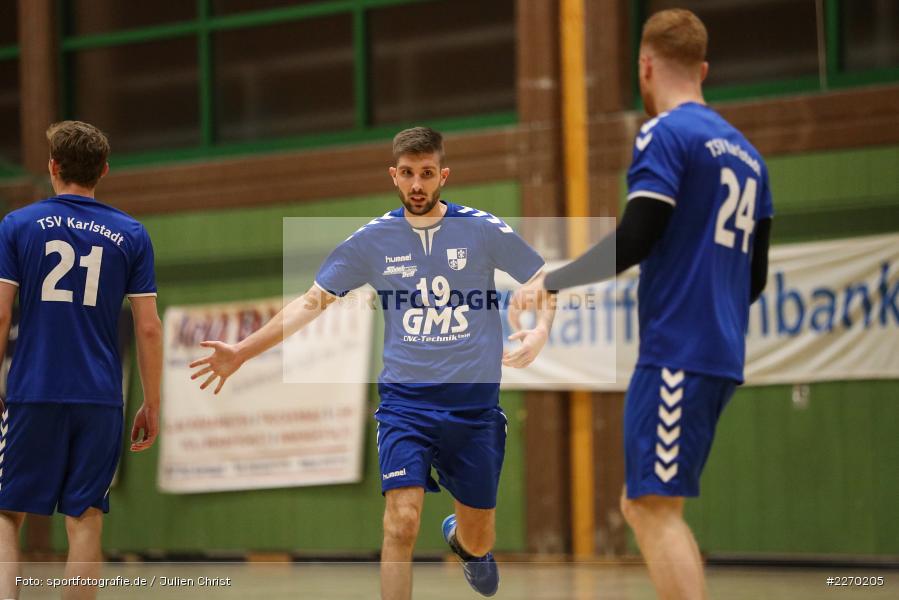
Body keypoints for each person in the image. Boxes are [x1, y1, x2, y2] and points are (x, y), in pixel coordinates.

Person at [189, 126, 554, 600]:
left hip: (473, 408)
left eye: (426, 174)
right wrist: (241, 351)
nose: (417, 184)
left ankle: (468, 547)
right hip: (406, 407)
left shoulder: (481, 229)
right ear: (393, 176)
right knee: (400, 524)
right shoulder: (373, 240)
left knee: (478, 535)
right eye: (407, 174)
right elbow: (309, 302)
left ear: (443, 174)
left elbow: (543, 275)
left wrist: (541, 330)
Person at [510, 9, 773, 600]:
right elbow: (752, 280)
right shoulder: (752, 159)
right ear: (702, 69)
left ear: (644, 67)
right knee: (649, 505)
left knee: (652, 509)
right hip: (720, 351)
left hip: (678, 350)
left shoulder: (664, 135)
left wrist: (555, 279)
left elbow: (635, 238)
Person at [0, 121, 162, 599]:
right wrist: (152, 403)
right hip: (99, 397)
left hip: (34, 389)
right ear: (104, 171)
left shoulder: (18, 225)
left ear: (52, 167)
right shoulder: (131, 233)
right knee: (86, 517)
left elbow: (1, 310)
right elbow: (149, 327)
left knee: (7, 512)